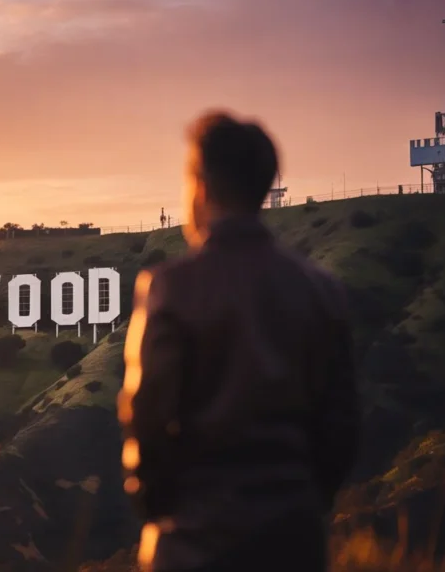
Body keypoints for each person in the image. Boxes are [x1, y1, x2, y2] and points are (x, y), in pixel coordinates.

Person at [116, 110, 360, 572]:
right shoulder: (321, 290)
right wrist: (308, 502)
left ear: (200, 186)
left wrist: (156, 506)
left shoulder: (171, 287)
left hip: (195, 538)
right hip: (294, 538)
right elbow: (341, 424)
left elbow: (146, 413)